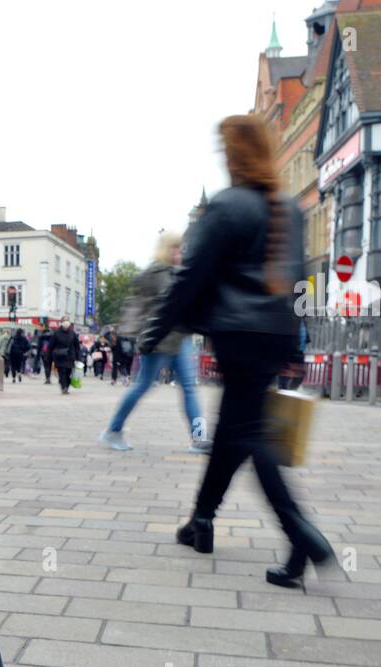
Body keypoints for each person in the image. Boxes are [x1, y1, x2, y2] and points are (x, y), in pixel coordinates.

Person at [139, 114, 332, 588]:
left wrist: (155, 331)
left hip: (236, 335)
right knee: (234, 429)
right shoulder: (287, 207)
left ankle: (299, 532)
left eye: (225, 150)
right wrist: (295, 345)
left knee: (248, 435)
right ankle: (200, 521)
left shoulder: (225, 207)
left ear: (234, 155)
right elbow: (297, 282)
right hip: (272, 337)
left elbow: (189, 277)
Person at [99, 233, 210, 454]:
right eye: (177, 249)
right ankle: (113, 430)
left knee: (189, 387)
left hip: (179, 338)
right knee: (143, 386)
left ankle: (200, 438)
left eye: (182, 249)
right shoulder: (155, 273)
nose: (180, 253)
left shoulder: (178, 273)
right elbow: (146, 308)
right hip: (158, 341)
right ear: (167, 250)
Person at [51, 320, 79, 394]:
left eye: (67, 327)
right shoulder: (56, 333)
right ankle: (64, 387)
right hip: (60, 356)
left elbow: (77, 346)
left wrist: (78, 357)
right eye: (64, 327)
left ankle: (66, 385)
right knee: (62, 372)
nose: (66, 328)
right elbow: (51, 345)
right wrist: (51, 356)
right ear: (62, 326)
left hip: (70, 356)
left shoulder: (73, 334)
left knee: (68, 373)